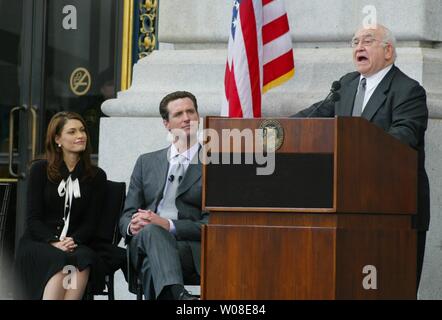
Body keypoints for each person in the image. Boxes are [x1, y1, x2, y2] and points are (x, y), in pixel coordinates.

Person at [292, 24, 429, 288]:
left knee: (389, 288)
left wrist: (356, 148)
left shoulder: (408, 90)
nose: (359, 47)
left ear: (388, 51)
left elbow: (403, 138)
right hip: (347, 207)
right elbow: (314, 115)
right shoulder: (347, 84)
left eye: (368, 41)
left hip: (394, 210)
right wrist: (276, 129)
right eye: (355, 42)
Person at [119, 91, 208, 300]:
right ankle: (180, 297)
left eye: (191, 111)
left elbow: (212, 223)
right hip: (143, 241)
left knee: (152, 265)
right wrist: (132, 225)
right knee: (150, 231)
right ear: (166, 124)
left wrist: (167, 224)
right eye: (178, 114)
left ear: (198, 117)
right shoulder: (146, 162)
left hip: (189, 249)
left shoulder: (214, 165)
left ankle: (175, 293)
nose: (187, 118)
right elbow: (127, 213)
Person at [15, 111, 107, 299]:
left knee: (83, 258)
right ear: (58, 139)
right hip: (39, 242)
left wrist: (72, 241)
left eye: (82, 130)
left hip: (76, 243)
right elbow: (33, 219)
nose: (80, 136)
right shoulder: (40, 170)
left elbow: (91, 223)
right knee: (59, 258)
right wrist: (54, 241)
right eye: (72, 132)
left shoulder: (96, 176)